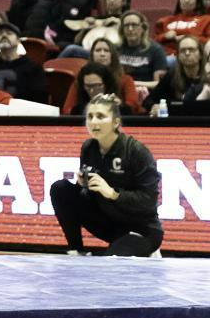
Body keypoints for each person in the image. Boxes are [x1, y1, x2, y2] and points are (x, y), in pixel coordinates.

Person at [49, 95, 163, 256]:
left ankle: (145, 249)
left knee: (111, 265)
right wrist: (82, 185)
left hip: (141, 229)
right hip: (109, 224)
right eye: (90, 116)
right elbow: (84, 198)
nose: (94, 122)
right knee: (60, 188)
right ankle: (76, 249)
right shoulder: (89, 147)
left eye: (100, 116)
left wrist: (112, 193)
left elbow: (149, 200)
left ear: (116, 122)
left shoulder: (136, 151)